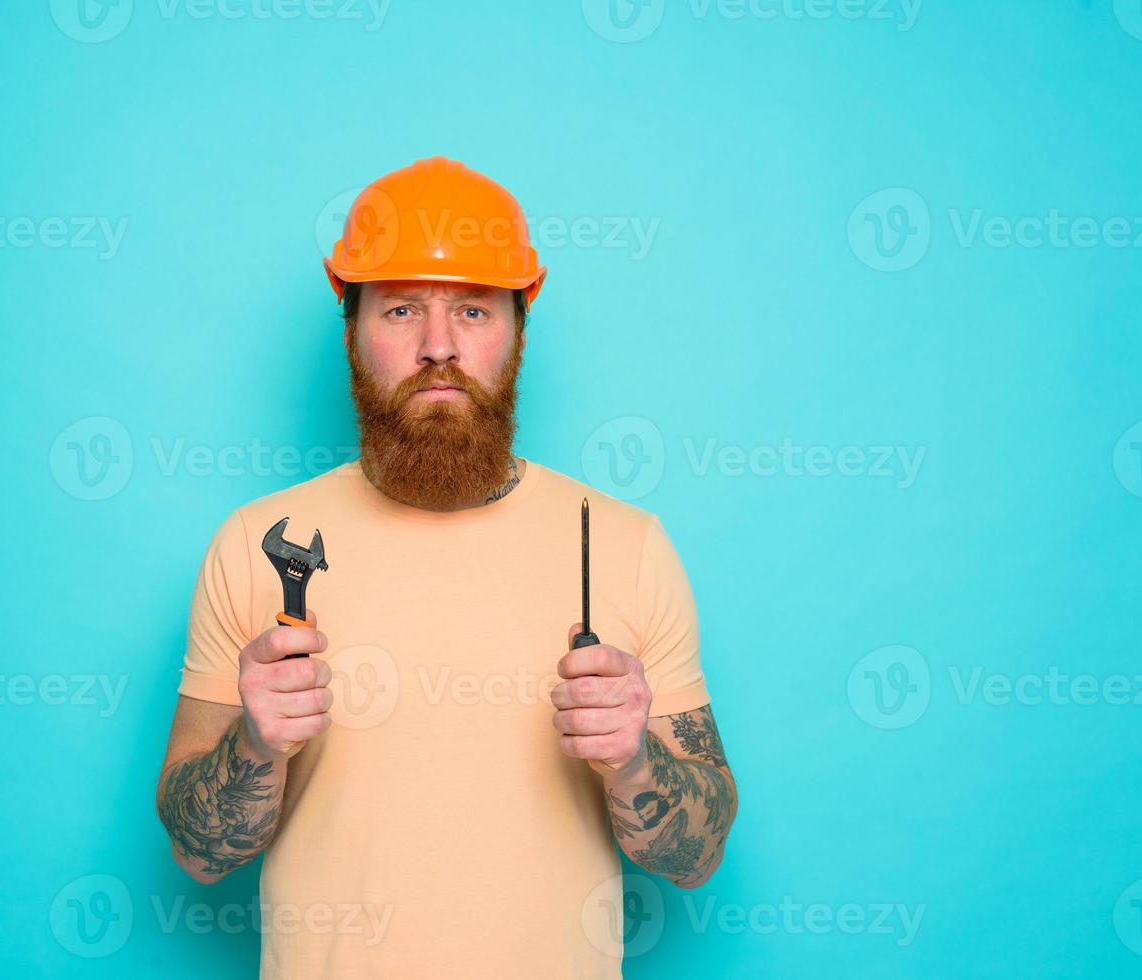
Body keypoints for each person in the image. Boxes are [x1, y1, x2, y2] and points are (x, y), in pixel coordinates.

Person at [154, 155, 738, 979]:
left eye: (471, 310)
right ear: (351, 330)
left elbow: (697, 859)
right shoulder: (257, 542)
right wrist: (255, 745)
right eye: (399, 310)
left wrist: (634, 758)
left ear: (518, 330)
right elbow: (198, 856)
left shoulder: (622, 544)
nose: (437, 348)